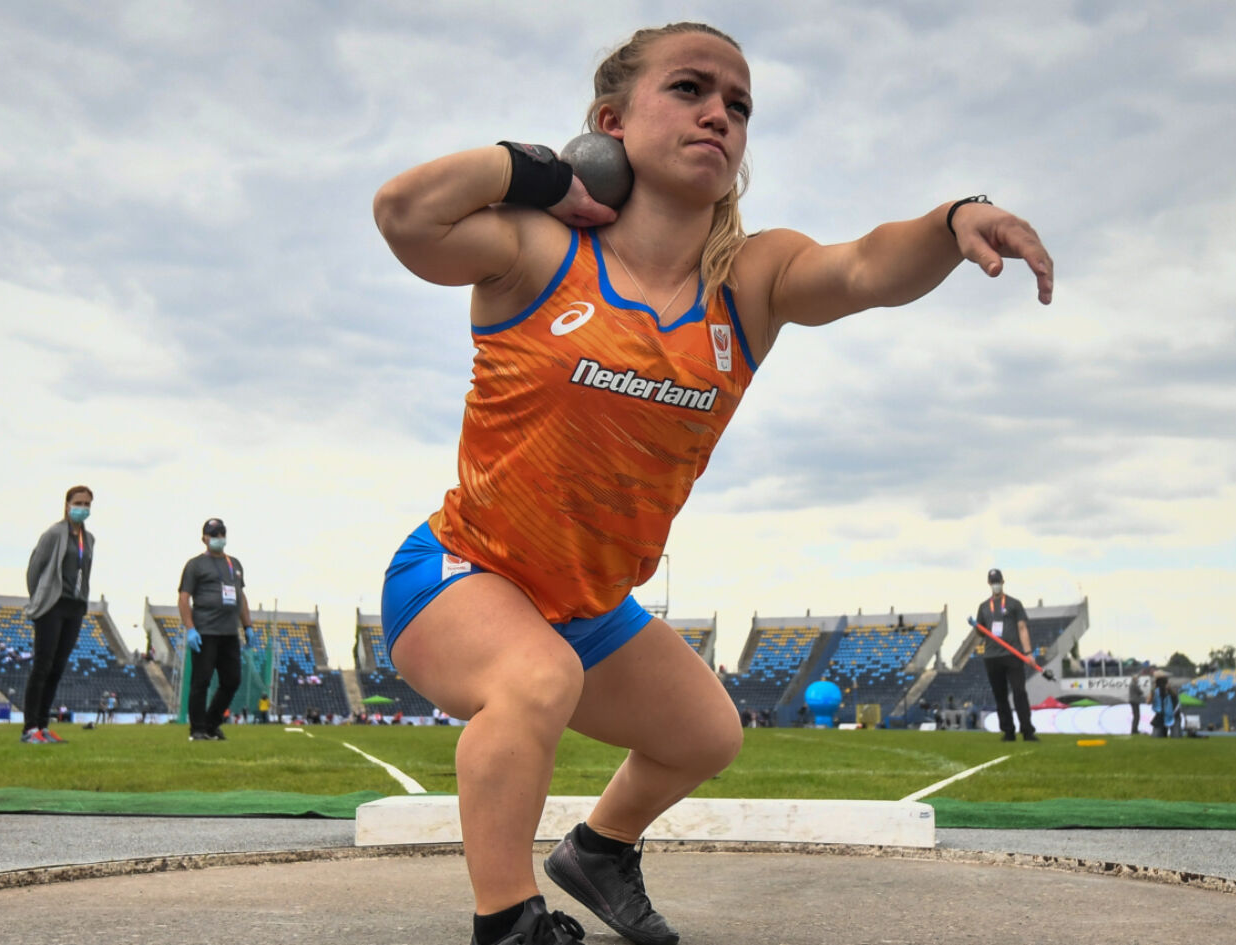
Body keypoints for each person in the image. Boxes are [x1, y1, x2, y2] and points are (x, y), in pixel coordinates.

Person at [372, 21, 1052, 945]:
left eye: (738, 105)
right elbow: (406, 212)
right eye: (689, 89)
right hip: (461, 571)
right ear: (611, 119)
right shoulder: (537, 249)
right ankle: (508, 920)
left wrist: (949, 221)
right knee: (537, 676)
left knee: (705, 732)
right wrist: (534, 169)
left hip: (587, 601)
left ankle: (599, 851)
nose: (719, 115)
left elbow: (861, 266)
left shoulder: (750, 279)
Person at [21, 485, 95, 745]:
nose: (83, 508)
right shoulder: (53, 534)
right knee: (43, 665)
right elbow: (34, 568)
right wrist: (39, 598)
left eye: (87, 504)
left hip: (74, 607)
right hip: (52, 605)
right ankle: (30, 728)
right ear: (67, 505)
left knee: (57, 668)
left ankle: (43, 726)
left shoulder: (89, 539)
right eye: (78, 503)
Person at [178, 517, 254, 742]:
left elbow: (241, 597)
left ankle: (212, 723)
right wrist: (190, 629)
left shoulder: (235, 564)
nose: (218, 538)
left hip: (229, 633)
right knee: (201, 681)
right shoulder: (195, 565)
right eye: (213, 535)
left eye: (221, 534)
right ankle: (198, 728)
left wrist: (248, 626)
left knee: (232, 680)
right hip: (206, 631)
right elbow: (184, 599)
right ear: (204, 538)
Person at [976, 569, 1038, 742]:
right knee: (1000, 695)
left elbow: (1022, 628)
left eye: (998, 581)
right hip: (992, 656)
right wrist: (978, 628)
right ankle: (1008, 731)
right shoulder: (983, 607)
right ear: (989, 584)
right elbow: (980, 632)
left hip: (1013, 654)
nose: (995, 585)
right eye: (993, 582)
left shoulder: (1014, 604)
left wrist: (1028, 653)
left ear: (1003, 582)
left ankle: (1027, 731)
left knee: (1019, 692)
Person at [1128, 671, 1145, 736]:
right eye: (1137, 678)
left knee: (1136, 716)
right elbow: (1140, 692)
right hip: (1135, 701)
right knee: (1137, 716)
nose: (1138, 679)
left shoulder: (1132, 684)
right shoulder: (1134, 684)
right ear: (1134, 678)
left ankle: (1134, 730)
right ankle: (1134, 730)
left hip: (1133, 701)